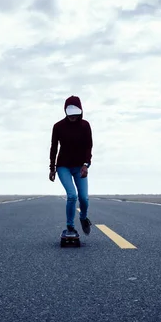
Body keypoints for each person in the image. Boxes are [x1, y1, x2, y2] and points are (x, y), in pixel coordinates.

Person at [49, 95, 93, 236]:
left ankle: (83, 218)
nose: (73, 117)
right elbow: (54, 148)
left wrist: (86, 165)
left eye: (75, 114)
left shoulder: (85, 126)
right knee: (72, 195)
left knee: (84, 199)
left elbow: (88, 146)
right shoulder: (58, 127)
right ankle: (70, 226)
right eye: (70, 114)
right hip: (63, 166)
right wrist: (52, 168)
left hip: (80, 166)